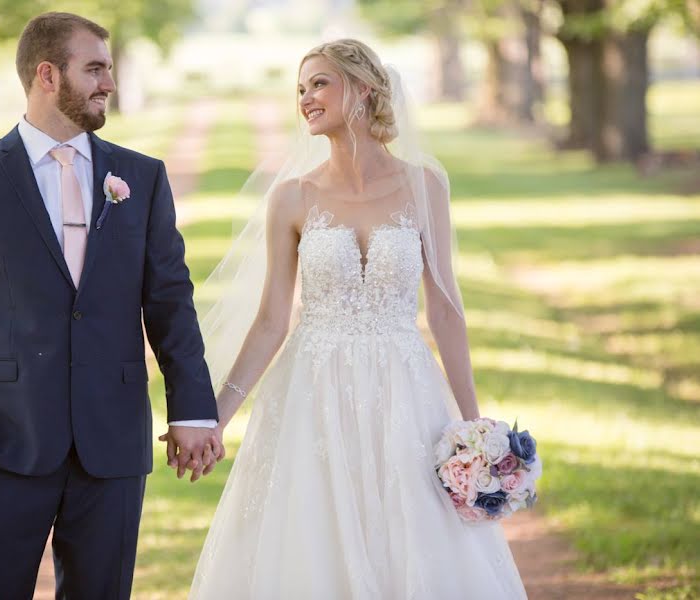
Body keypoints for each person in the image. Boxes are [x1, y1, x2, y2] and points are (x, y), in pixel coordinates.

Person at [186, 39, 528, 598]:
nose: (305, 98)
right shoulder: (292, 198)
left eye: (319, 83)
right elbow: (272, 318)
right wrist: (216, 419)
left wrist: (475, 429)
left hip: (404, 387)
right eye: (300, 89)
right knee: (316, 537)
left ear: (364, 89)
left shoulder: (425, 186)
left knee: (412, 532)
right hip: (313, 394)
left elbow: (444, 309)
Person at [0, 12, 222, 599]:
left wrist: (193, 409)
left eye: (108, 68)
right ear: (47, 75)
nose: (109, 82)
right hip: (1, 438)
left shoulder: (141, 177)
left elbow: (170, 301)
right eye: (96, 69)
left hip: (112, 442)